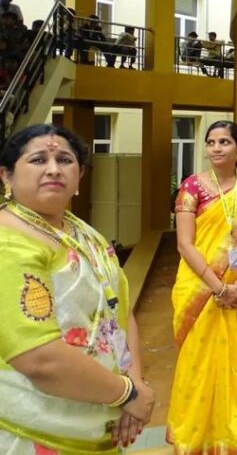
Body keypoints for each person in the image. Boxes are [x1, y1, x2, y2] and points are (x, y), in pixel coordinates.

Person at [0, 124, 154, 452]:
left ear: (80, 176)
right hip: (32, 431)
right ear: (6, 176)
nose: (54, 169)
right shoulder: (8, 244)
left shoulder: (81, 232)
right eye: (39, 160)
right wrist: (127, 394)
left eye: (65, 160)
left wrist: (134, 384)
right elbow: (40, 359)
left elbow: (120, 311)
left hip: (101, 421)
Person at [167, 121, 237, 454]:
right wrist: (218, 287)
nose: (217, 148)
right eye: (211, 142)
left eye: (225, 141)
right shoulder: (191, 188)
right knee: (198, 362)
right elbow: (185, 244)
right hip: (199, 287)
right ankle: (196, 436)